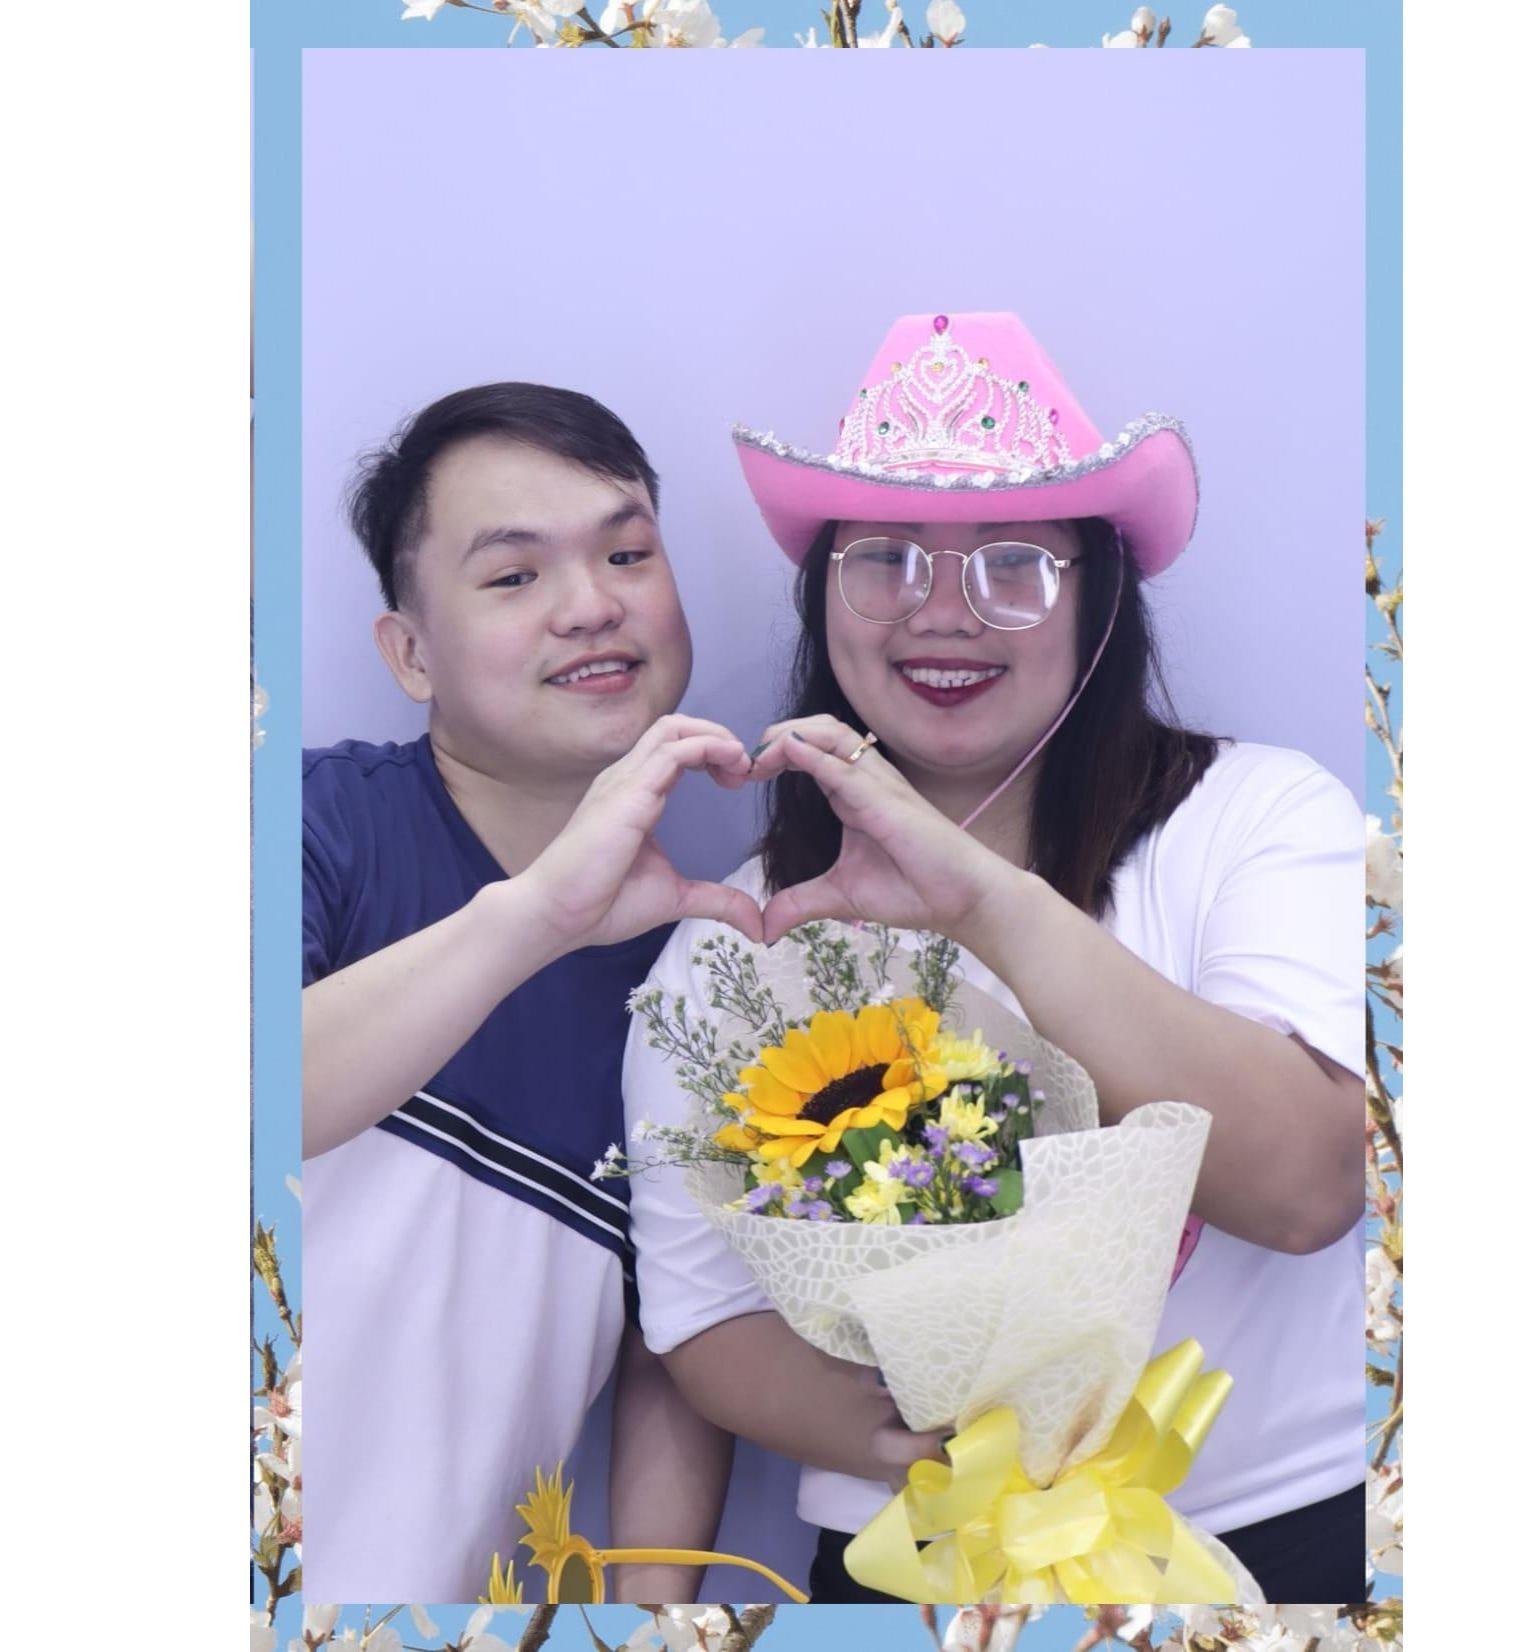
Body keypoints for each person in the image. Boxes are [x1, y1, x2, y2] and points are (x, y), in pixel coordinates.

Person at [623, 313, 1367, 1604]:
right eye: (885, 560)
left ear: (1099, 599)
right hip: (912, 1559)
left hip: (1278, 1536)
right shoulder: (734, 936)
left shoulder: (1257, 816)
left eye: (1014, 564)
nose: (942, 613)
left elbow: (1310, 1185)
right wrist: (953, 1454)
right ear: (822, 597)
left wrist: (983, 902)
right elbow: (699, 1319)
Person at [300, 382, 764, 1602]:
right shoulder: (308, 820)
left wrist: (654, 1613)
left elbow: (676, 1343)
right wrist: (534, 920)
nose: (591, 604)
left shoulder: (706, 972)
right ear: (410, 652)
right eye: (513, 575)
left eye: (626, 553)